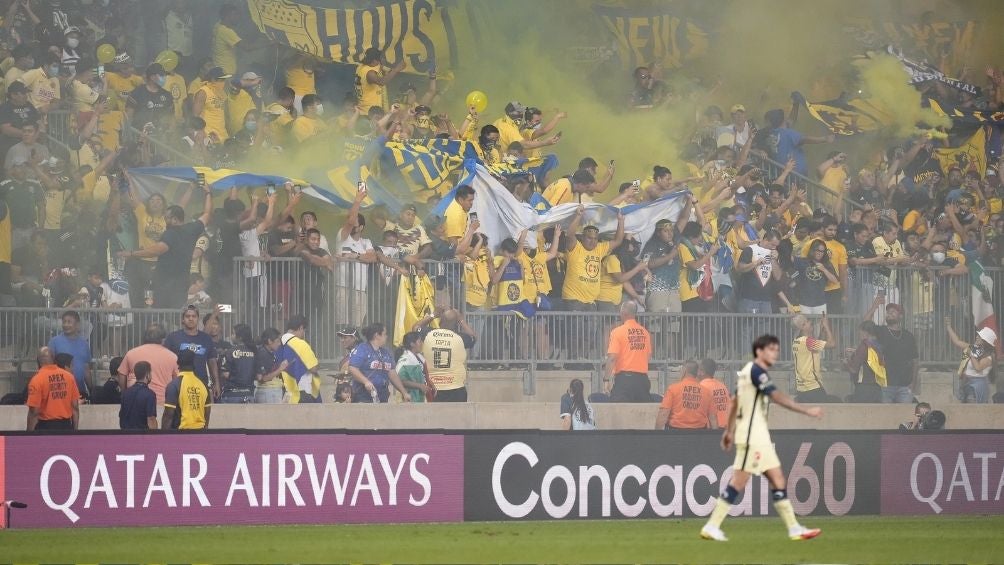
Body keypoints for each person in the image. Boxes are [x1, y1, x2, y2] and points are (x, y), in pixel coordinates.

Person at [700, 335, 823, 542]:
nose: (775, 353)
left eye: (776, 349)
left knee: (776, 478)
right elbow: (777, 397)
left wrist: (729, 431)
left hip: (753, 435)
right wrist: (806, 411)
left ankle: (793, 528)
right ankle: (712, 526)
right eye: (771, 349)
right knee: (740, 482)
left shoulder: (749, 373)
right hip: (752, 436)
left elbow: (734, 402)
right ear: (759, 352)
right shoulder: (756, 372)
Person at [118, 181, 213, 309]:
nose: (165, 220)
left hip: (165, 283)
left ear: (174, 219)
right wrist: (208, 193)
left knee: (159, 312)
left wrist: (131, 253)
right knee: (175, 313)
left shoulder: (170, 234)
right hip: (181, 282)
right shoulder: (192, 228)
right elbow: (207, 214)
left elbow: (156, 251)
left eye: (167, 218)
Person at [863, 299, 919, 404]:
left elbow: (915, 361)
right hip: (885, 384)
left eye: (893, 312)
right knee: (885, 417)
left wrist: (913, 383)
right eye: (888, 311)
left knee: (904, 417)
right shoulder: (881, 331)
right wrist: (875, 305)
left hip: (905, 386)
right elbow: (865, 323)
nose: (889, 313)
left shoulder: (908, 336)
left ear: (901, 316)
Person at [422, 308, 476, 402]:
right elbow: (473, 337)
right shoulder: (460, 338)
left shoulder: (429, 334)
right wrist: (461, 320)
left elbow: (415, 327)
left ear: (440, 321)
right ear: (456, 324)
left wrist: (433, 315)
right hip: (456, 389)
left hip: (433, 388)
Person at [163, 306, 219, 397]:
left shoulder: (206, 338)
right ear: (183, 319)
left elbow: (212, 362)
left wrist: (216, 383)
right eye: (187, 316)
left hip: (201, 385)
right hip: (179, 385)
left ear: (198, 319)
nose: (191, 319)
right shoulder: (173, 337)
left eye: (194, 316)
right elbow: (165, 361)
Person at [348, 322, 411, 403]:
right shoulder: (362, 349)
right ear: (377, 335)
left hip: (382, 396)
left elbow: (392, 373)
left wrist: (404, 392)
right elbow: (352, 368)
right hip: (363, 397)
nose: (386, 337)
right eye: (385, 334)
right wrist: (366, 382)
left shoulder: (386, 352)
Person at [605, 300, 653, 402]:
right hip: (643, 379)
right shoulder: (645, 332)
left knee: (618, 411)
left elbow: (612, 358)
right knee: (642, 413)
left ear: (623, 313)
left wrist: (606, 379)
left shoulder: (617, 332)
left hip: (624, 379)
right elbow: (648, 357)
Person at [119, 323, 178, 404]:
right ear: (163, 339)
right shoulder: (173, 357)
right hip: (161, 401)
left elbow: (121, 374)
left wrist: (125, 392)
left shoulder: (131, 353)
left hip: (135, 400)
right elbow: (176, 381)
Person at [26, 347, 80, 431]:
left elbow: (34, 412)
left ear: (38, 361)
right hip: (66, 426)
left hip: (45, 427)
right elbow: (75, 407)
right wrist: (75, 430)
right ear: (54, 359)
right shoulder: (69, 377)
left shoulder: (36, 380)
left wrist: (28, 435)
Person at [791, 313, 840, 403]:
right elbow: (832, 344)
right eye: (806, 322)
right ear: (802, 327)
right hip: (813, 387)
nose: (810, 322)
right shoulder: (808, 342)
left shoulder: (796, 341)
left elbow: (815, 348)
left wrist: (821, 331)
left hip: (801, 389)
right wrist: (827, 326)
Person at [655, 360, 717, 429]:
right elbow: (713, 418)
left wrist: (656, 436)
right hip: (699, 434)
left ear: (684, 371)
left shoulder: (673, 389)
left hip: (676, 433)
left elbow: (663, 414)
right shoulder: (707, 392)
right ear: (696, 372)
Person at [946, 320, 996, 404]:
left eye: (979, 336)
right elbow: (957, 341)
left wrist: (971, 354)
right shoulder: (973, 348)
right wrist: (948, 326)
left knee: (973, 407)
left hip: (977, 385)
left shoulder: (989, 357)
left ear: (985, 341)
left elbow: (978, 368)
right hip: (966, 381)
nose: (976, 337)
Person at [162, 350, 212, 430]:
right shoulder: (203, 385)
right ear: (193, 363)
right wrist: (204, 430)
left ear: (178, 364)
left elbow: (168, 415)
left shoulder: (174, 385)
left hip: (181, 434)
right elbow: (207, 411)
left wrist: (163, 436)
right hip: (200, 432)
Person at [277, 315, 322, 403]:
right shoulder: (301, 344)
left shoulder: (277, 343)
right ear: (301, 327)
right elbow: (313, 368)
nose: (303, 333)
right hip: (302, 393)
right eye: (304, 330)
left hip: (285, 394)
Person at [47, 310, 91, 398]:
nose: (66, 325)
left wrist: (91, 389)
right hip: (61, 392)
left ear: (77, 324)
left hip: (80, 391)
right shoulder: (54, 342)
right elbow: (49, 368)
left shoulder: (84, 344)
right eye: (64, 322)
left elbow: (86, 369)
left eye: (69, 322)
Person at [843, 321, 886, 403]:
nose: (859, 334)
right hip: (877, 387)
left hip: (864, 387)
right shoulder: (879, 345)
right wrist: (856, 352)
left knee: (860, 414)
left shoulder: (863, 346)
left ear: (865, 332)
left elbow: (853, 370)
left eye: (860, 332)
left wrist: (846, 362)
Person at [355, 47, 405, 112]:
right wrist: (396, 70)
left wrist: (383, 66)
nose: (380, 62)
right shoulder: (370, 73)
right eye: (379, 60)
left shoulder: (361, 66)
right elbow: (381, 82)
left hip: (363, 107)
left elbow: (379, 67)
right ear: (374, 61)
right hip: (369, 111)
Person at [126, 63, 173, 129]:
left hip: (159, 136)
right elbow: (128, 116)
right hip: (138, 134)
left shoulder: (167, 95)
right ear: (152, 77)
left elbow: (170, 118)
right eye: (162, 75)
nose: (165, 77)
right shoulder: (136, 93)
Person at [219, 323, 258, 404]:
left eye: (233, 333)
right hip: (248, 394)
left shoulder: (230, 351)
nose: (231, 336)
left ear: (240, 337)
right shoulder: (255, 351)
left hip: (232, 395)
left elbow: (225, 374)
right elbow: (258, 375)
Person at [119, 361, 157, 430]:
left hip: (126, 435)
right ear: (147, 375)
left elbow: (121, 416)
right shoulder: (150, 395)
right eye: (150, 373)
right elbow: (151, 419)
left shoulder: (125, 393)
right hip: (142, 436)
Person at [254, 328, 288, 404]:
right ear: (269, 341)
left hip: (271, 392)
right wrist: (280, 369)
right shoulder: (263, 354)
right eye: (277, 341)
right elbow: (263, 378)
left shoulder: (270, 353)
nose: (279, 344)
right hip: (267, 394)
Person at [396, 331, 430, 403]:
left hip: (419, 399)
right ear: (412, 344)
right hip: (409, 400)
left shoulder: (420, 357)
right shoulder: (405, 360)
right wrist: (420, 386)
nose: (422, 344)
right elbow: (400, 380)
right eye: (419, 341)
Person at [698, 358, 731, 429]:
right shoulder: (722, 386)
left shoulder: (701, 387)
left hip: (713, 427)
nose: (697, 373)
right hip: (727, 426)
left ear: (702, 371)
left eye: (699, 369)